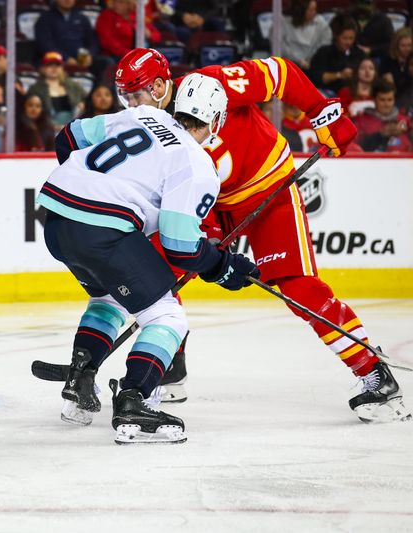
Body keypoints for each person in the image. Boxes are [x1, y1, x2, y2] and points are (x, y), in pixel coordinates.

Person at [108, 47, 409, 423]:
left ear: (157, 87)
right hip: (214, 205)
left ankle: (374, 373)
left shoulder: (210, 85)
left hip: (271, 192)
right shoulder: (144, 125)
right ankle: (168, 367)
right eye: (125, 96)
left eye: (135, 94)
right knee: (157, 272)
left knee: (299, 289)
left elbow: (279, 73)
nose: (131, 104)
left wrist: (321, 111)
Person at [39, 72, 258, 443]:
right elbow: (180, 247)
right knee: (167, 316)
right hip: (103, 232)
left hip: (57, 219)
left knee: (107, 298)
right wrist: (223, 267)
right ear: (215, 120)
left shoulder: (145, 114)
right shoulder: (197, 163)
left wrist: (88, 185)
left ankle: (80, 377)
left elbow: (68, 137)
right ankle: (133, 401)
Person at [34, 0, 112, 81]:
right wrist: (66, 58)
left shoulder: (82, 18)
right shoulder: (45, 18)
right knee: (51, 65)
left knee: (106, 62)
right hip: (57, 60)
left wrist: (89, 55)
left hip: (82, 59)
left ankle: (102, 88)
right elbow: (45, 45)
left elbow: (93, 42)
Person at [26, 51, 86, 129]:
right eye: (50, 65)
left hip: (72, 128)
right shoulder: (35, 89)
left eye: (57, 65)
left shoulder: (72, 85)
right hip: (47, 129)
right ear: (43, 68)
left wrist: (82, 104)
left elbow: (87, 99)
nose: (54, 68)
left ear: (62, 68)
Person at [309, 15, 366, 95]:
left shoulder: (359, 53)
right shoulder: (324, 52)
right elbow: (316, 77)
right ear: (336, 36)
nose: (348, 42)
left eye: (351, 38)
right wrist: (339, 75)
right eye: (345, 38)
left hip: (354, 93)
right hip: (328, 93)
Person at [354, 80, 412, 152]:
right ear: (374, 100)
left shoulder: (405, 120)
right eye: (382, 100)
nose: (386, 104)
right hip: (373, 158)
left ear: (394, 100)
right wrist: (380, 135)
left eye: (390, 100)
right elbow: (357, 148)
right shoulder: (362, 121)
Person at [95, 0, 162, 61]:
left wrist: (149, 34)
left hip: (138, 54)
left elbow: (157, 36)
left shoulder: (136, 16)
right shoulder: (106, 16)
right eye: (114, 2)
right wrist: (130, 54)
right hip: (116, 56)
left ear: (129, 4)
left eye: (121, 2)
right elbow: (108, 42)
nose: (116, 5)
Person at [281, 0, 332, 71]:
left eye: (314, 9)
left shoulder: (321, 23)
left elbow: (324, 45)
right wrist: (299, 61)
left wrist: (311, 61)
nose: (314, 13)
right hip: (288, 66)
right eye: (310, 10)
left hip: (313, 66)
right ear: (299, 10)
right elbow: (281, 48)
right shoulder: (283, 23)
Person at [379, 28, 413, 92]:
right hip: (394, 92)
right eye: (403, 46)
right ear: (396, 45)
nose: (407, 49)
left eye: (409, 45)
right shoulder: (387, 60)